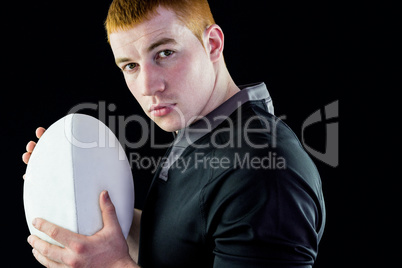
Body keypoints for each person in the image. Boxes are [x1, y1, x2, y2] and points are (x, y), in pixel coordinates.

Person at [22, 0, 326, 267]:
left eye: (165, 53)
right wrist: (75, 186)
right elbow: (179, 244)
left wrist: (111, 266)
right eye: (130, 66)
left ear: (213, 44)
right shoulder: (201, 130)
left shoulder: (265, 172)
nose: (147, 86)